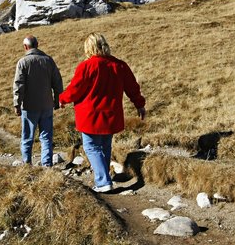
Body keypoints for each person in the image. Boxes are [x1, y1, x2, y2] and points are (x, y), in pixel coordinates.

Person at [59, 33, 146, 192]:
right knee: (105, 146)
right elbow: (132, 88)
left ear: (88, 47)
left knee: (91, 147)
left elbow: (75, 90)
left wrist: (62, 99)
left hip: (90, 116)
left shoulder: (86, 66)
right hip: (111, 115)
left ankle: (103, 182)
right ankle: (104, 178)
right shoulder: (119, 65)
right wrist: (139, 104)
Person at [13, 35, 63, 166]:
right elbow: (57, 82)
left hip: (29, 107)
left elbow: (19, 85)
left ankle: (27, 164)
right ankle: (47, 165)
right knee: (46, 137)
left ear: (25, 47)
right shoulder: (48, 60)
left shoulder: (23, 62)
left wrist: (17, 104)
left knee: (27, 137)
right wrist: (57, 100)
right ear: (37, 44)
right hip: (47, 105)